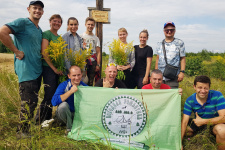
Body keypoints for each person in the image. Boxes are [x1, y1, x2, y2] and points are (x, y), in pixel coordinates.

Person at [0, 1, 44, 136]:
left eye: (40, 9)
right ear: (28, 9)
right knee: (28, 102)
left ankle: (26, 129)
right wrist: (16, 51)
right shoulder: (22, 22)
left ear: (42, 12)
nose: (37, 11)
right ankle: (21, 131)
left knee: (33, 101)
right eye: (34, 8)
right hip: (26, 70)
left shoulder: (39, 29)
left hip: (37, 70)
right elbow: (2, 32)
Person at [181, 75, 225, 150]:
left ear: (209, 87)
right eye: (200, 87)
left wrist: (203, 121)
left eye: (206, 88)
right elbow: (184, 122)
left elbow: (223, 118)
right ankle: (201, 137)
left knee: (222, 130)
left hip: (215, 124)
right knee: (179, 129)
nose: (203, 91)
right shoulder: (190, 100)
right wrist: (179, 142)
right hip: (198, 124)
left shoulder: (217, 95)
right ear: (194, 87)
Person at [35, 14, 63, 124]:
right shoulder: (47, 34)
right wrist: (54, 69)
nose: (57, 23)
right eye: (54, 21)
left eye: (59, 22)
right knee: (49, 94)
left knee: (54, 94)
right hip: (48, 68)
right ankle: (39, 119)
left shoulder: (59, 38)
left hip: (57, 70)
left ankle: (48, 118)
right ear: (50, 22)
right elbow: (45, 53)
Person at [51, 66, 87, 134]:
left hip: (78, 115)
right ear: (69, 76)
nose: (77, 78)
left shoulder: (85, 87)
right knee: (63, 106)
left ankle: (78, 125)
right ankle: (69, 129)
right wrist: (70, 91)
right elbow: (54, 101)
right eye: (74, 75)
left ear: (81, 75)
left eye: (78, 75)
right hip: (65, 115)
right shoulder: (64, 85)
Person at [155, 21, 186, 89]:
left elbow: (182, 58)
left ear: (174, 31)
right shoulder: (159, 44)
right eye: (167, 30)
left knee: (172, 96)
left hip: (173, 77)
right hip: (160, 78)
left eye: (171, 30)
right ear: (164, 31)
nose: (169, 32)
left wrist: (182, 72)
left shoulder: (180, 43)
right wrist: (155, 73)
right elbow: (157, 59)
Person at [80, 17, 101, 86]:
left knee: (90, 80)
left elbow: (98, 52)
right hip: (82, 60)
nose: (90, 26)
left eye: (92, 25)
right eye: (88, 24)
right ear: (85, 24)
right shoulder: (81, 36)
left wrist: (98, 64)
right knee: (81, 79)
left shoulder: (96, 38)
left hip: (92, 61)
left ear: (94, 26)